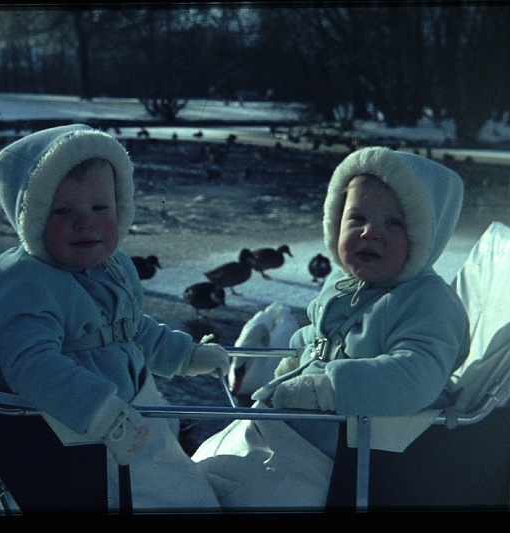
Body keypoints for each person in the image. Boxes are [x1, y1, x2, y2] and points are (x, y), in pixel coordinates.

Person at [192, 146, 471, 509]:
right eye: (357, 218)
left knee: (238, 494)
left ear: (425, 238)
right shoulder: (341, 283)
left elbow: (415, 375)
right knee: (204, 467)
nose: (370, 232)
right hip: (295, 427)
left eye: (394, 223)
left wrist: (325, 389)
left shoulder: (427, 302)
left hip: (347, 455)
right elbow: (317, 332)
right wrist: (295, 360)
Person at [0, 124, 227, 511]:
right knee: (181, 503)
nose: (85, 222)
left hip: (130, 416)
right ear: (32, 219)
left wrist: (184, 355)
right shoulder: (26, 281)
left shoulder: (112, 267)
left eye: (99, 208)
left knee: (189, 491)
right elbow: (30, 364)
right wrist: (100, 411)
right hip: (78, 436)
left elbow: (130, 329)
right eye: (62, 211)